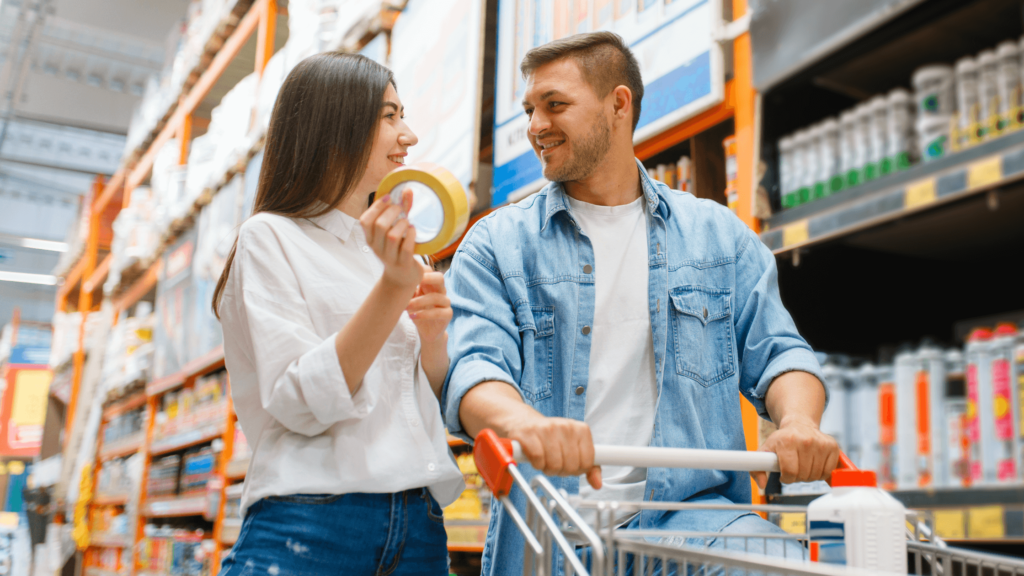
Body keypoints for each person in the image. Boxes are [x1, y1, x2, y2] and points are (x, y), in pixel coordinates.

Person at [442, 32, 840, 575]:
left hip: (693, 524)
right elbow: (475, 367)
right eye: (530, 110)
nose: (536, 126)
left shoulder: (717, 236)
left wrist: (799, 422)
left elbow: (779, 353)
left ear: (618, 104)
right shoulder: (496, 245)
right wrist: (523, 423)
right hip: (550, 532)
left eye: (555, 105)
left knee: (779, 566)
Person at [213, 52, 464, 575]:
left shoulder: (399, 253)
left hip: (419, 523)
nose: (410, 134)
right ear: (335, 125)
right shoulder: (270, 237)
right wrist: (393, 291)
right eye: (390, 116)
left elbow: (424, 402)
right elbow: (301, 400)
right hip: (313, 518)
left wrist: (435, 339)